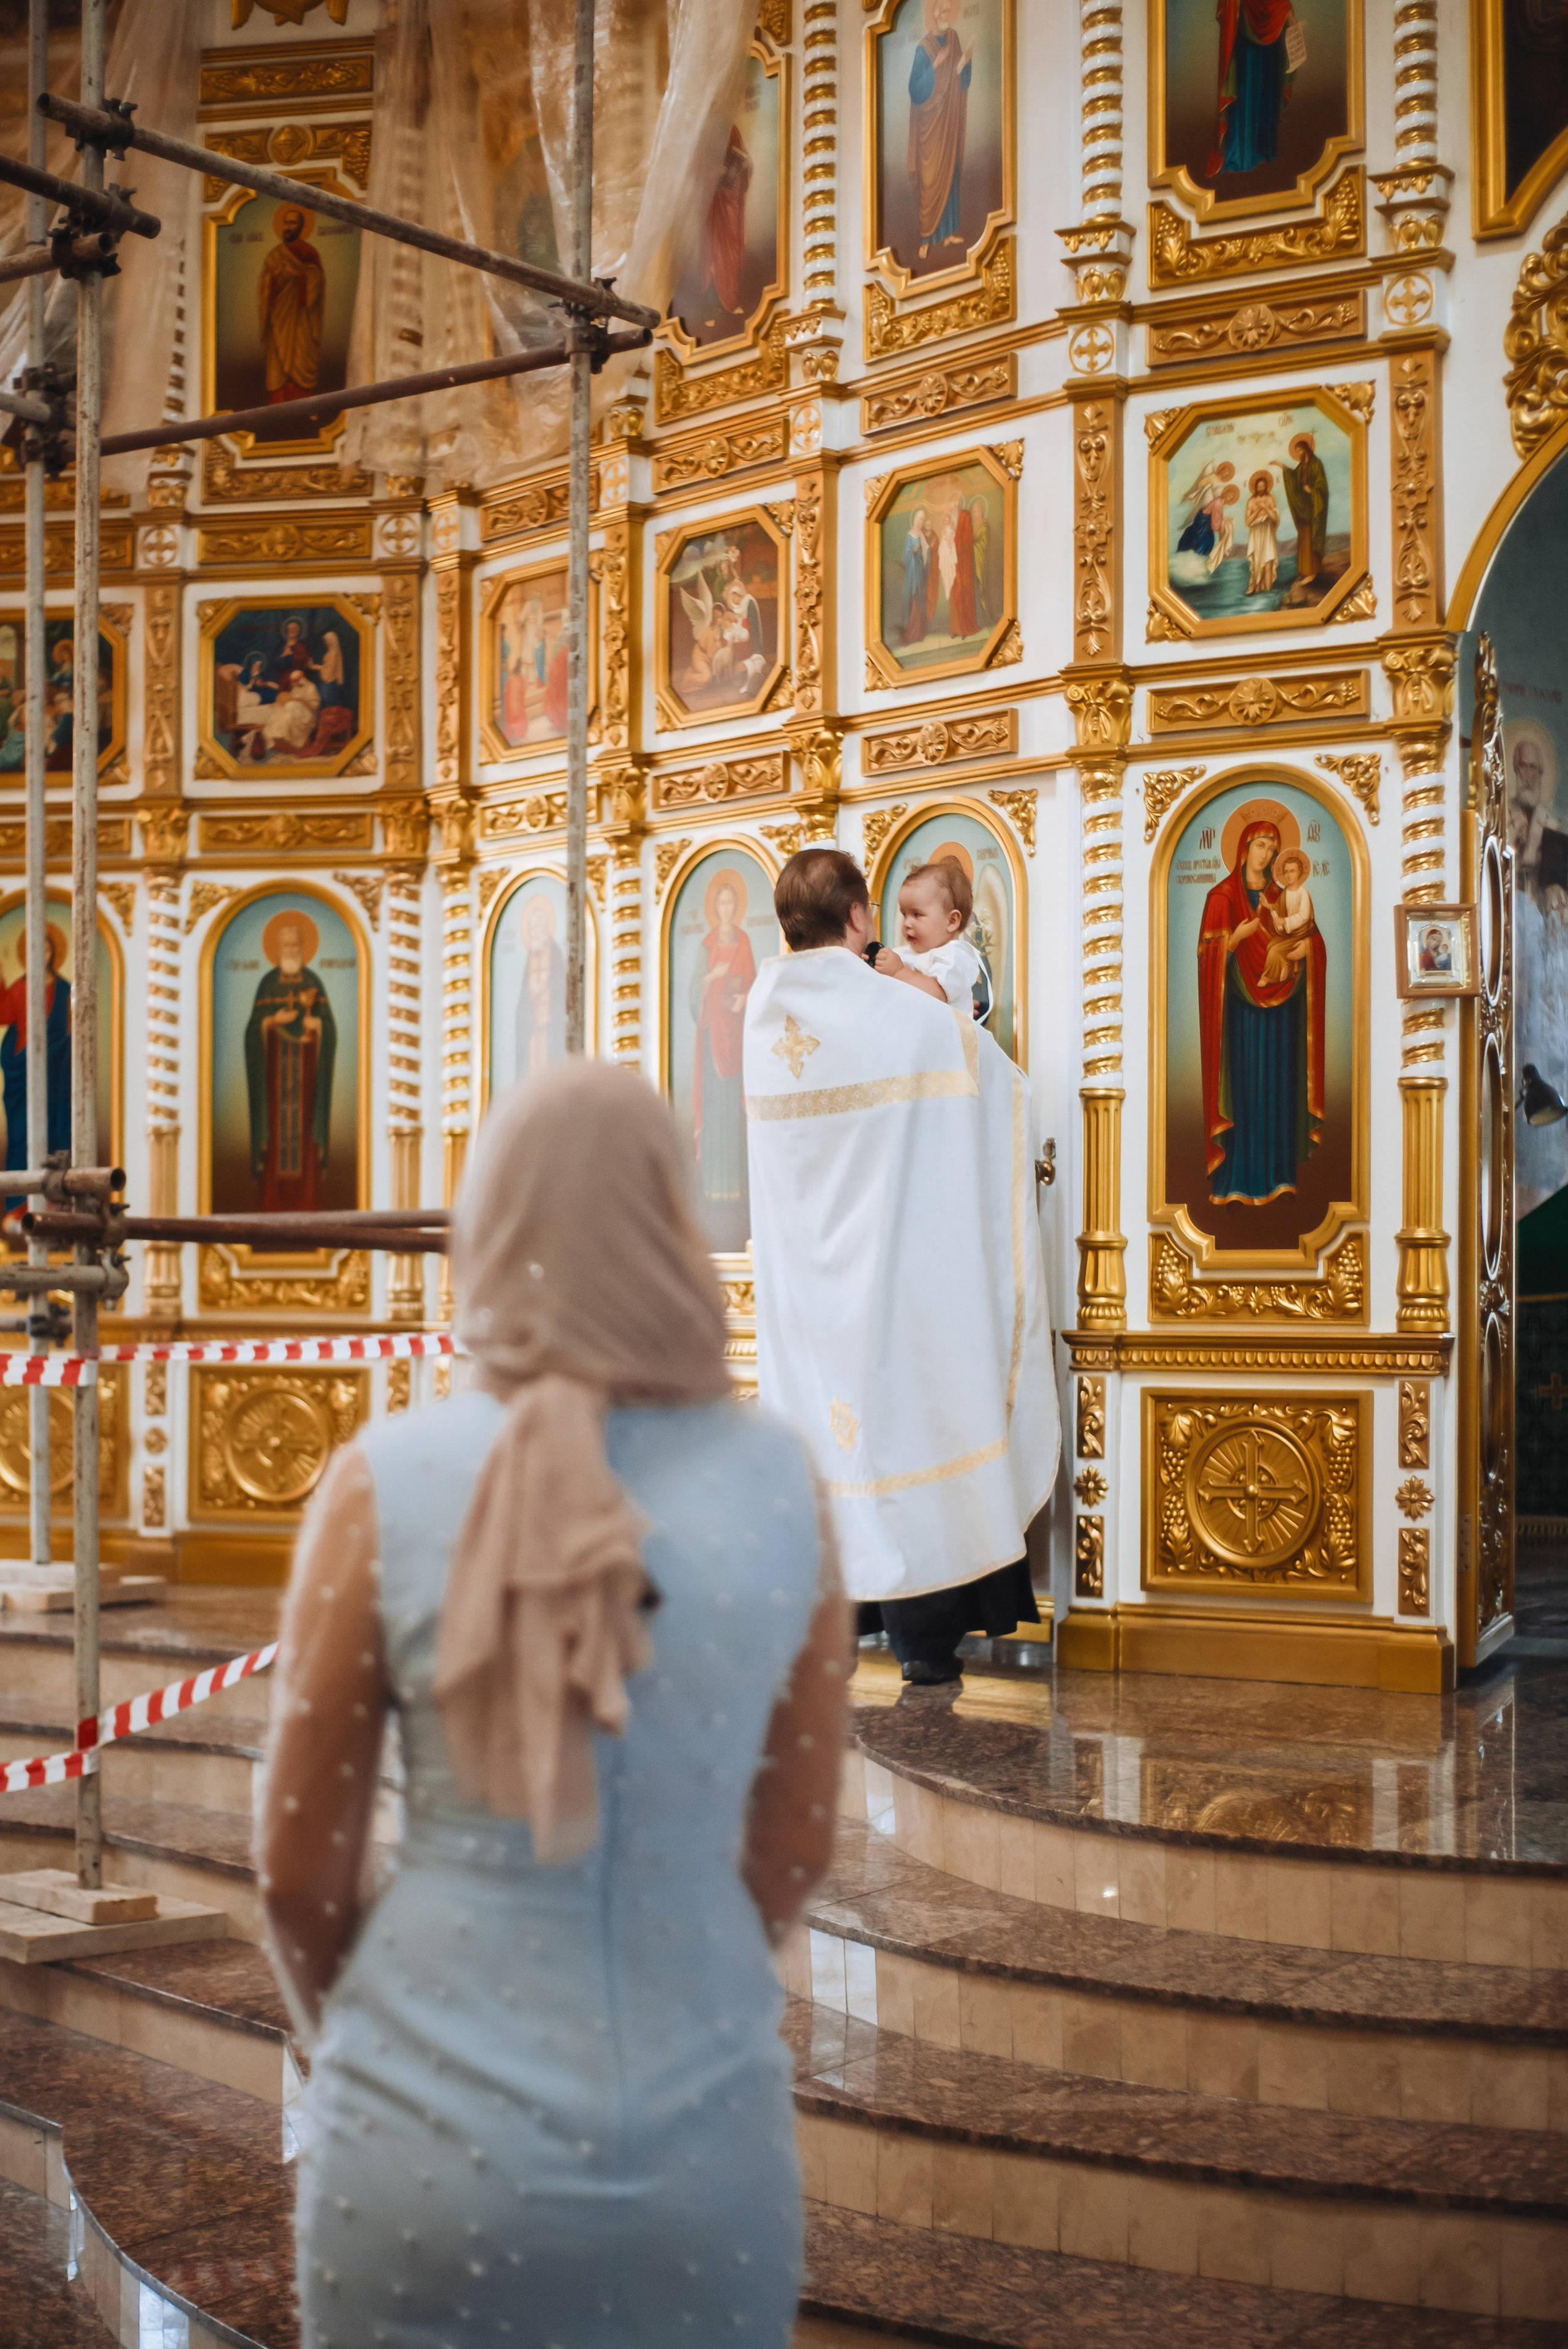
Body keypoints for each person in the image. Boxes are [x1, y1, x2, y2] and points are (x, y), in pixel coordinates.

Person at [258, 1061, 847, 2349]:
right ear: (671, 1222)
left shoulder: (384, 1481)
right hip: (703, 2154)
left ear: (491, 1224)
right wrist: (665, 1952)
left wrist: (373, 2044)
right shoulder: (781, 1486)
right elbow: (794, 1849)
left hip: (415, 2157)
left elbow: (299, 1870)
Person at [745, 848, 1058, 1684]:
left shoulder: (760, 1012)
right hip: (893, 1284)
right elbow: (994, 1078)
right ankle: (924, 1641)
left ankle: (834, 1627)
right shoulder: (900, 1012)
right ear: (855, 918)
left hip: (806, 1299)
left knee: (825, 1444)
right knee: (911, 1429)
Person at [1196, 818, 1325, 1206]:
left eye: (1273, 849)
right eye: (1261, 846)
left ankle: (1279, 1175)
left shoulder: (1283, 894)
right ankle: (1238, 1176)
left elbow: (1311, 940)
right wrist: (1234, 941)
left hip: (1282, 1018)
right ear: (1243, 848)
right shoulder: (1221, 898)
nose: (1267, 855)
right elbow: (1208, 962)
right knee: (1246, 1091)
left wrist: (1308, 952)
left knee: (1280, 1090)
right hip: (1238, 1020)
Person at [244, 911, 336, 1210]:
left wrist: (318, 1028)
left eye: (295, 945)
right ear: (278, 949)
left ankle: (307, 1205)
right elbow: (251, 1031)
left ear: (303, 947)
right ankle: (272, 1206)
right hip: (274, 1081)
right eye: (285, 946)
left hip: (307, 1080)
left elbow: (329, 1028)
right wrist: (271, 1022)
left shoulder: (314, 983)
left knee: (305, 1141)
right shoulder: (268, 984)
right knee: (276, 1144)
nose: (291, 951)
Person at [908, 0, 974, 262]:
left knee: (951, 172)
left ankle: (947, 232)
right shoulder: (923, 49)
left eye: (949, 11)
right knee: (930, 178)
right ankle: (926, 237)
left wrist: (965, 63)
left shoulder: (954, 39)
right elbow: (915, 90)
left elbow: (960, 80)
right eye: (943, 12)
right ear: (934, 15)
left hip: (949, 119)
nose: (947, 16)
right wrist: (936, 65)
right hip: (930, 126)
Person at [874, 856, 982, 1010]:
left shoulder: (957, 957)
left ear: (951, 921)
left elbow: (935, 995)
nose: (907, 923)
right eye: (904, 914)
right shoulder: (903, 954)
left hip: (947, 1034)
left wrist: (898, 971)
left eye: (917, 914)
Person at [258, 204, 326, 404]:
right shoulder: (274, 255)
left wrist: (299, 275)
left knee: (302, 356)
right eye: (286, 222)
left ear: (301, 226)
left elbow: (318, 279)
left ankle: (305, 403)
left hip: (302, 319)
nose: (288, 226)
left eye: (293, 223)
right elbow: (265, 284)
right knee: (278, 361)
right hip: (279, 318)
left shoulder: (309, 253)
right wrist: (275, 277)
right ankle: (278, 403)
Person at [1259, 845, 1314, 985]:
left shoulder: (1303, 893)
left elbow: (1304, 916)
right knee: (1270, 946)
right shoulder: (1285, 893)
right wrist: (1268, 906)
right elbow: (1278, 908)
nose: (1289, 875)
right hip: (1288, 934)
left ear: (1299, 872)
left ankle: (1267, 978)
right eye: (1286, 872)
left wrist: (1284, 921)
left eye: (1292, 871)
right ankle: (1286, 965)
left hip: (1300, 933)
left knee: (1275, 950)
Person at [1282, 431, 1329, 589]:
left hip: (1314, 508)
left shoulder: (1317, 464)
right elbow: (1294, 478)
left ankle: (1313, 573)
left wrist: (1312, 491)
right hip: (1304, 508)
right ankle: (1304, 570)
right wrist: (1284, 468)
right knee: (1304, 538)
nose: (1299, 454)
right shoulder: (1302, 466)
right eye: (1297, 452)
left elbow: (1322, 486)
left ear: (1306, 449)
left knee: (1312, 538)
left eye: (1300, 450)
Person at [1245, 467, 1281, 594]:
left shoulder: (1270, 499)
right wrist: (1259, 510)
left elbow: (1275, 517)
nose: (1261, 489)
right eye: (1259, 487)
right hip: (1256, 533)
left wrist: (1265, 507)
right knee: (1257, 562)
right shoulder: (1251, 501)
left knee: (1269, 561)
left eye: (1263, 487)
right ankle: (1257, 589)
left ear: (1267, 487)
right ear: (1255, 487)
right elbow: (1248, 522)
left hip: (1268, 532)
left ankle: (1269, 591)